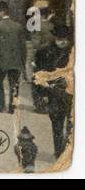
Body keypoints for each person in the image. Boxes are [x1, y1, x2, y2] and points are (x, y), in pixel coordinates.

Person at [33, 21, 73, 159]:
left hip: (71, 95)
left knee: (71, 127)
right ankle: (58, 153)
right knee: (56, 126)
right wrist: (42, 94)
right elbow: (38, 74)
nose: (62, 42)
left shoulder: (74, 52)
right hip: (53, 95)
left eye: (64, 39)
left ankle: (68, 152)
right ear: (55, 38)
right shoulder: (44, 52)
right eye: (59, 39)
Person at [0, 1, 27, 113]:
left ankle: (1, 106)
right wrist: (23, 61)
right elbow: (23, 46)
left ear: (1, 12)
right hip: (16, 62)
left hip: (1, 62)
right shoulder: (18, 27)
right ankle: (12, 107)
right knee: (14, 85)